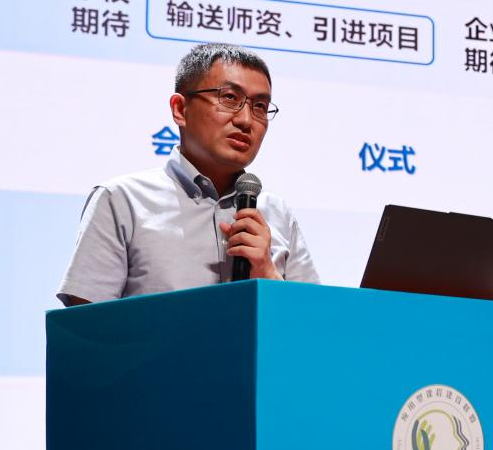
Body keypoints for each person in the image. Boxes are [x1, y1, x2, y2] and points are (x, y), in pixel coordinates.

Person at [57, 43, 318, 305]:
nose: (246, 120)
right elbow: (85, 323)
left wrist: (268, 274)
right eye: (229, 98)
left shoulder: (277, 213)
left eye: (260, 106)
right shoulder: (122, 201)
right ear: (180, 109)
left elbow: (315, 321)